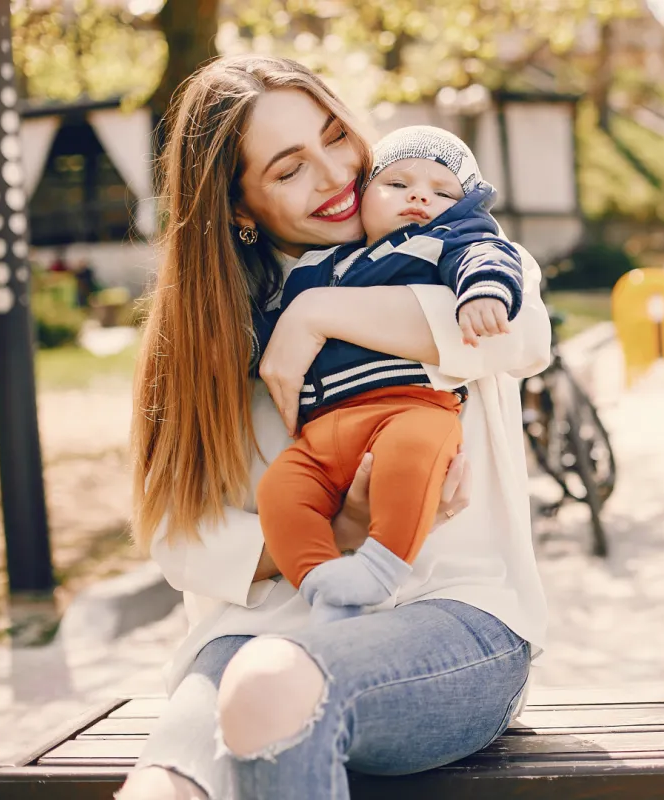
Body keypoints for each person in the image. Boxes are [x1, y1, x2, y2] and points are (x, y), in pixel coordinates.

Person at [118, 54, 550, 800]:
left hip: (450, 624)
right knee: (165, 786)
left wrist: (316, 315)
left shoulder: (451, 248)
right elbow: (178, 536)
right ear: (240, 209)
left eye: (334, 136)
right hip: (253, 635)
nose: (335, 174)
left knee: (269, 685)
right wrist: (335, 532)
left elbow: (517, 334)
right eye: (289, 169)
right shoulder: (215, 331)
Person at [254, 125, 524, 623]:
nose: (420, 195)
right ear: (362, 198)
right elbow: (266, 330)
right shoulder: (317, 265)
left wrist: (484, 290)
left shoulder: (445, 241)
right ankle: (322, 583)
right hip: (322, 432)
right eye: (396, 184)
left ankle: (379, 570)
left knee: (412, 456)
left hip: (410, 408)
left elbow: (487, 255)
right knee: (280, 490)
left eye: (444, 192)